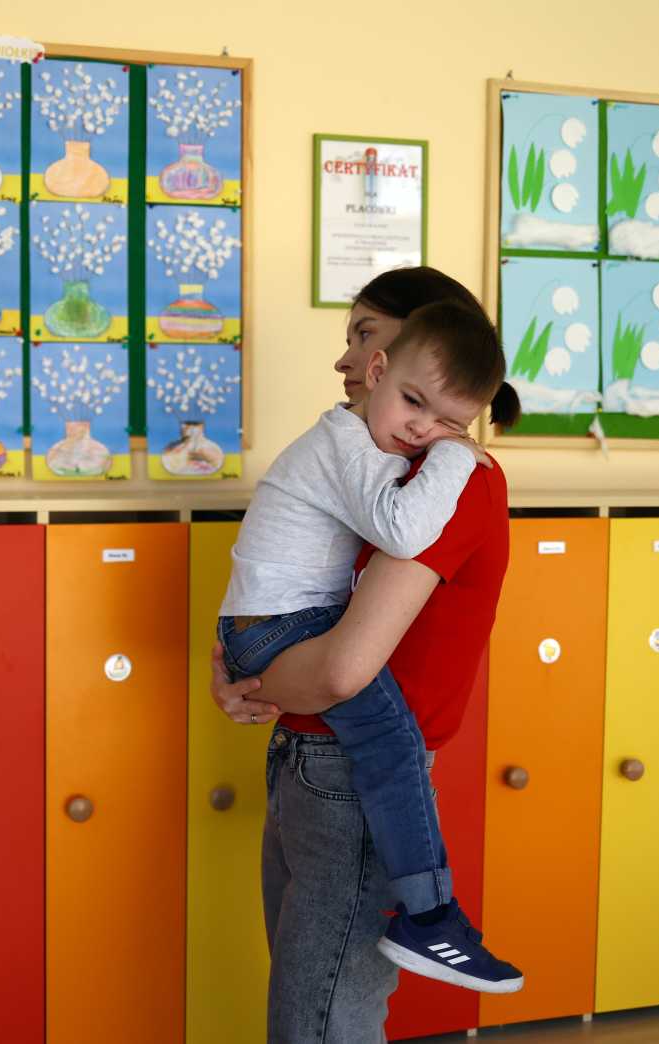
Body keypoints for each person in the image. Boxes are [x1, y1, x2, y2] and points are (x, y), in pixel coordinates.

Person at [210, 266, 521, 1042]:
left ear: (425, 351)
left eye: (365, 335)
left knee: (319, 1024)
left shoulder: (451, 480)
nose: (348, 363)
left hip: (351, 776)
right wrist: (245, 674)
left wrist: (261, 676)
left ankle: (435, 912)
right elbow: (297, 594)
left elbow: (345, 671)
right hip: (308, 754)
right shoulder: (373, 466)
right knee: (309, 1010)